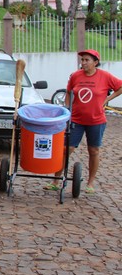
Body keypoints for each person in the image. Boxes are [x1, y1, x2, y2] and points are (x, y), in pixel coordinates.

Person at [45, 49, 122, 194]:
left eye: (87, 60)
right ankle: (56, 180)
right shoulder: (76, 76)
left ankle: (90, 183)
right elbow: (68, 92)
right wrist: (67, 109)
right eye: (82, 60)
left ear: (96, 62)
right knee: (67, 149)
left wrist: (106, 100)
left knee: (93, 150)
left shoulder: (105, 76)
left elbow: (120, 86)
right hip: (76, 119)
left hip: (96, 120)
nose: (84, 63)